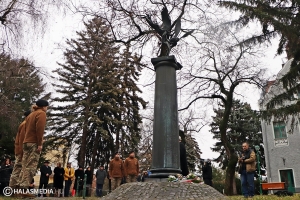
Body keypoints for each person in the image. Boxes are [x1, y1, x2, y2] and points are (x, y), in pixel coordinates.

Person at [19, 99, 49, 198]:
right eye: (47, 107)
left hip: (26, 142)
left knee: (24, 165)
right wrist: (40, 143)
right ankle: (23, 190)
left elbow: (27, 129)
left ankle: (18, 189)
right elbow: (39, 129)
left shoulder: (31, 114)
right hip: (33, 143)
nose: (47, 109)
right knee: (31, 166)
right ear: (44, 106)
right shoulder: (41, 114)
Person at [9, 110, 31, 190]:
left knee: (19, 170)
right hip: (21, 151)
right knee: (18, 170)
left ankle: (15, 189)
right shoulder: (25, 125)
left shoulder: (26, 124)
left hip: (21, 151)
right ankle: (13, 189)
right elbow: (22, 140)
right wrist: (22, 153)